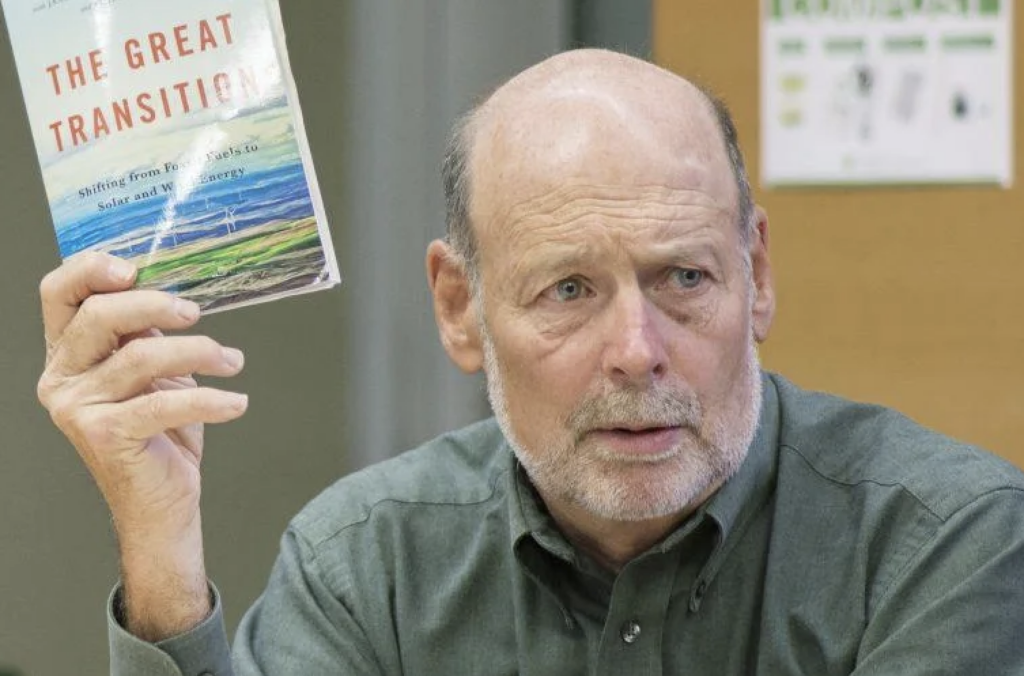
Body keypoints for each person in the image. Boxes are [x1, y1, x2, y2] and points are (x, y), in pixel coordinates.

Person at [37, 49, 1024, 675]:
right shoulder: (368, 562)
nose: (637, 353)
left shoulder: (943, 544)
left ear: (755, 273)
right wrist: (162, 555)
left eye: (683, 276)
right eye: (568, 291)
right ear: (459, 309)